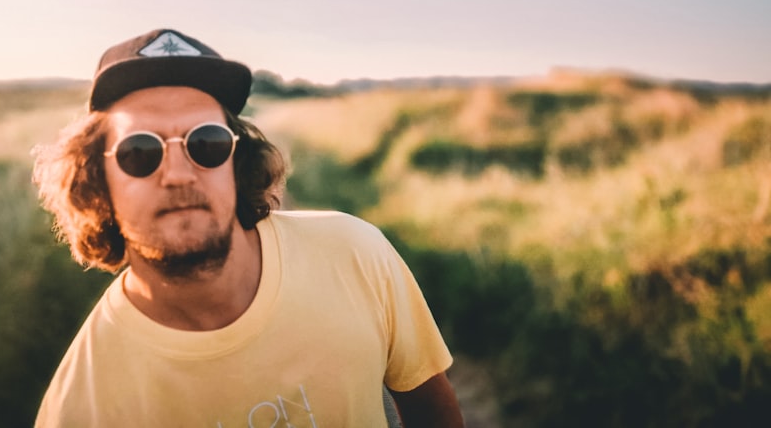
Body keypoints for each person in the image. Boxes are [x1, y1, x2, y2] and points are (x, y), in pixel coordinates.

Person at [32, 29, 464, 427]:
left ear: (237, 164)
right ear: (97, 182)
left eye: (207, 143)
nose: (179, 175)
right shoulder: (82, 406)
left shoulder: (355, 254)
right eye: (140, 151)